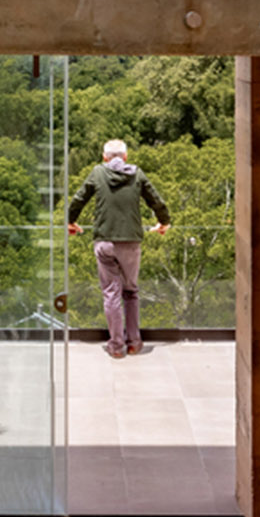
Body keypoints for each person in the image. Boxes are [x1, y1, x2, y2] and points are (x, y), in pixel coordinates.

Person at [67, 139, 170, 357]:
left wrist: (70, 221)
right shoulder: (137, 174)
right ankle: (133, 342)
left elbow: (79, 198)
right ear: (125, 157)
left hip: (104, 241)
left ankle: (116, 346)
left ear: (105, 157)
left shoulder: (97, 172)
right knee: (130, 291)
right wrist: (164, 222)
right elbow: (156, 200)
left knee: (111, 294)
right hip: (131, 242)